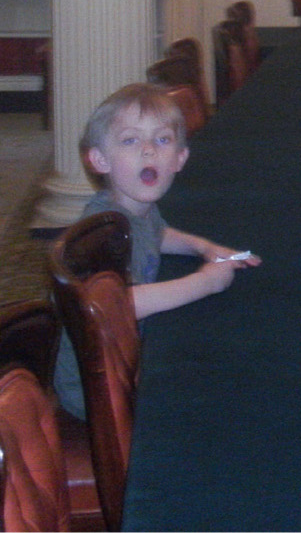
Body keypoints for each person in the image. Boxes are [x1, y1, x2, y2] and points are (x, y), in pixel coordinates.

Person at [54, 83, 259, 418]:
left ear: (180, 158)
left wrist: (203, 247)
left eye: (162, 140)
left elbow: (158, 233)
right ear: (99, 160)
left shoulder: (134, 206)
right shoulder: (106, 232)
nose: (148, 151)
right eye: (130, 140)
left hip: (123, 358)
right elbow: (119, 306)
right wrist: (205, 282)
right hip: (100, 389)